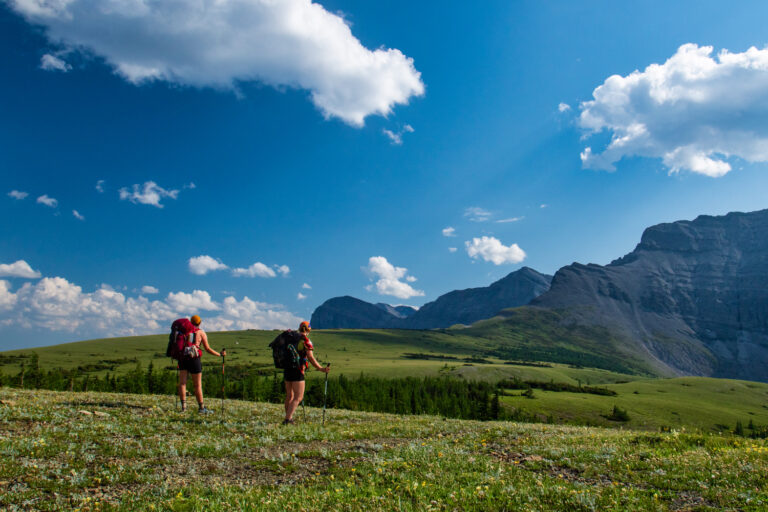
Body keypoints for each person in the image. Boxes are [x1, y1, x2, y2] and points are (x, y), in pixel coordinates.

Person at [283, 321, 329, 425]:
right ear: (309, 330)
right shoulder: (306, 341)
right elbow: (311, 358)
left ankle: (288, 417)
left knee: (289, 395)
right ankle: (288, 419)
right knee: (298, 397)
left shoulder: (290, 339)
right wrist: (321, 368)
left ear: (299, 329)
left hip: (287, 369)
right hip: (298, 370)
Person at [178, 314, 226, 414]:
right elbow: (207, 349)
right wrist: (219, 354)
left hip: (183, 358)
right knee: (197, 385)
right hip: (194, 358)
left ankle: (183, 408)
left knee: (182, 383)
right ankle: (201, 408)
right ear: (199, 323)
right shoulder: (200, 332)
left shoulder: (184, 331)